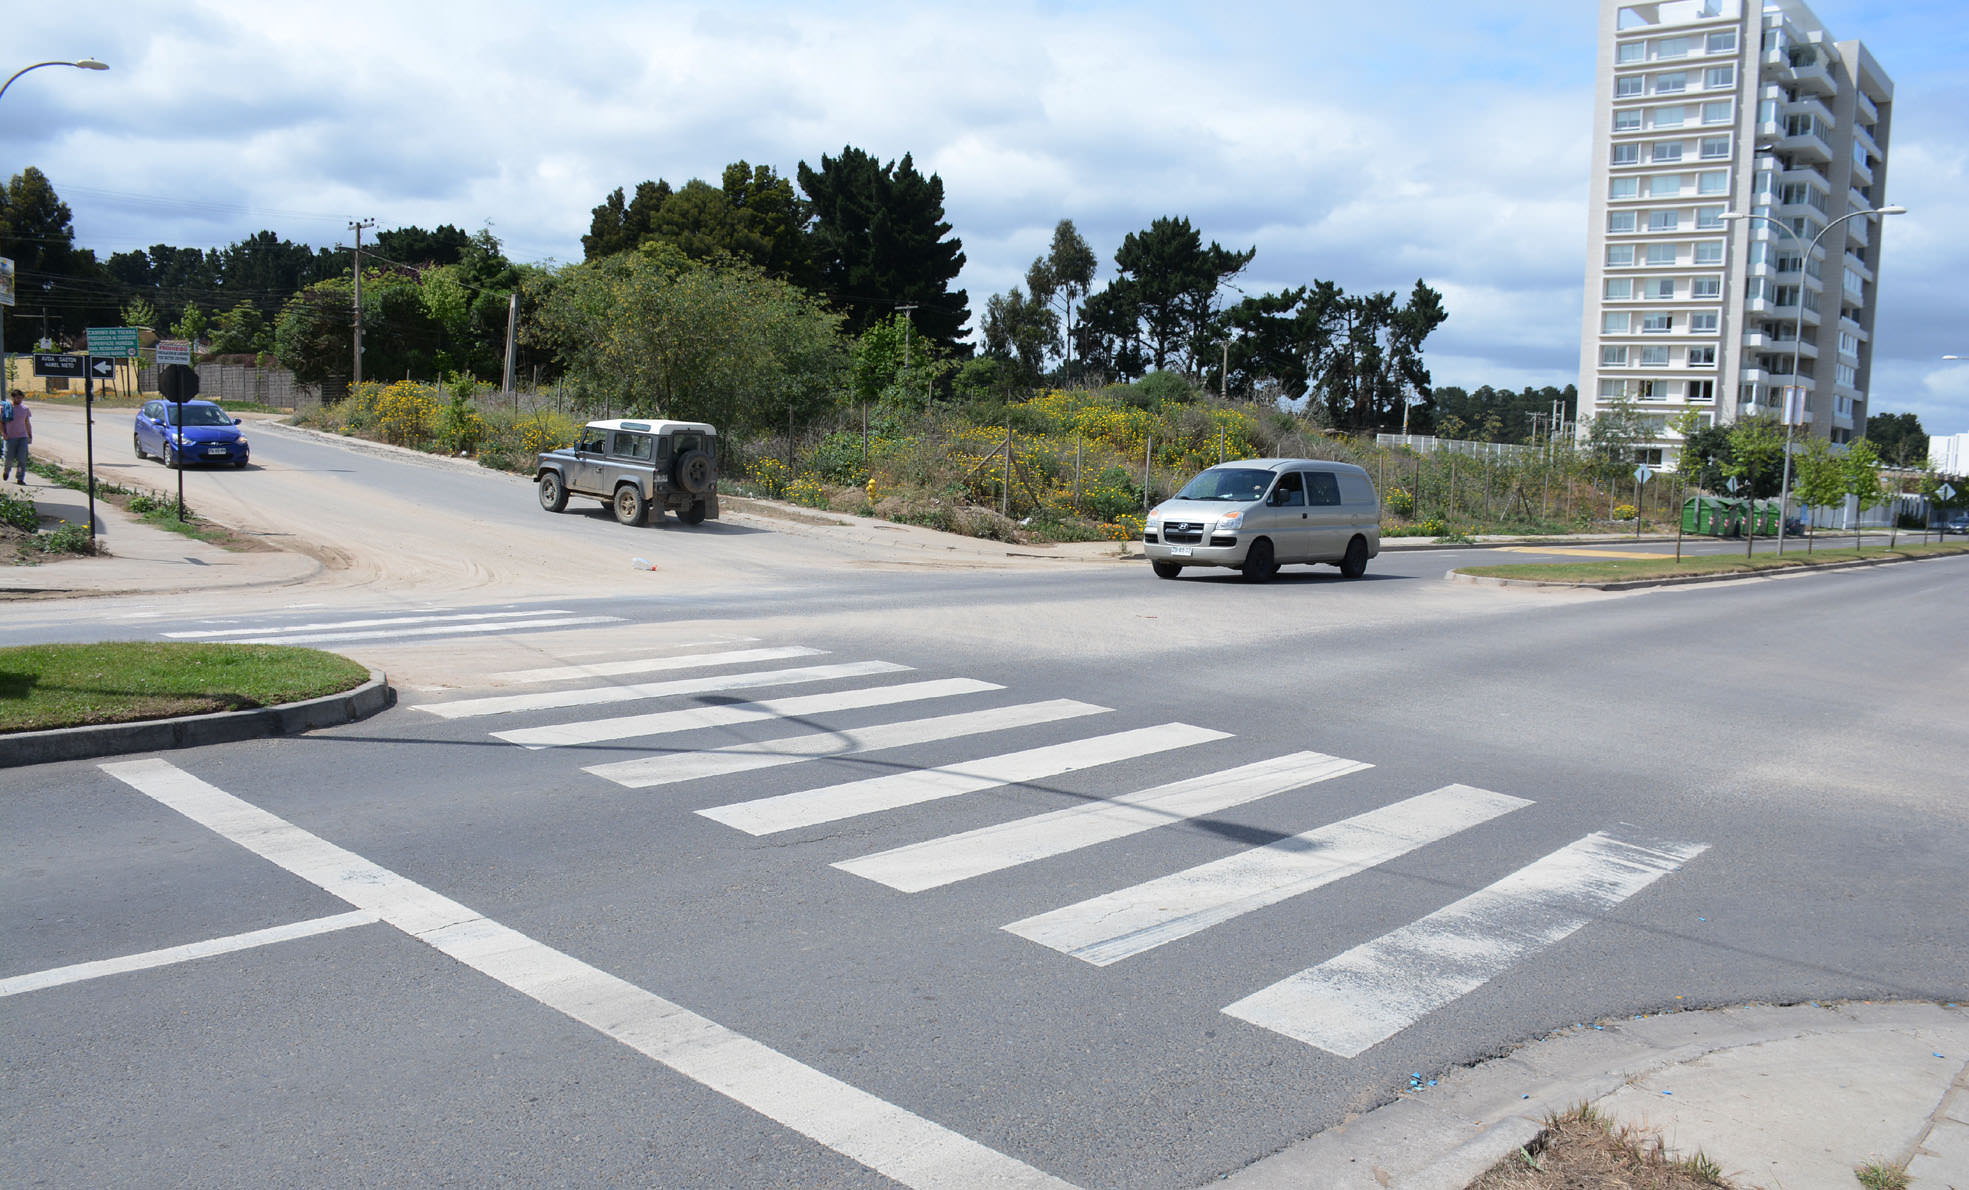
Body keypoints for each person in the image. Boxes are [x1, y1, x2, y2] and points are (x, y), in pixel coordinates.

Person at [1, 389, 29, 484]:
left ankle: (20, 478)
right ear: (13, 397)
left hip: (22, 437)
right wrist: (3, 433)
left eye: (21, 398)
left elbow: (27, 422)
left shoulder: (25, 409)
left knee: (22, 459)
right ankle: (6, 471)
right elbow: (1, 422)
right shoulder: (5, 408)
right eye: (18, 398)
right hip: (10, 437)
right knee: (9, 458)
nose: (20, 400)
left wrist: (30, 435)